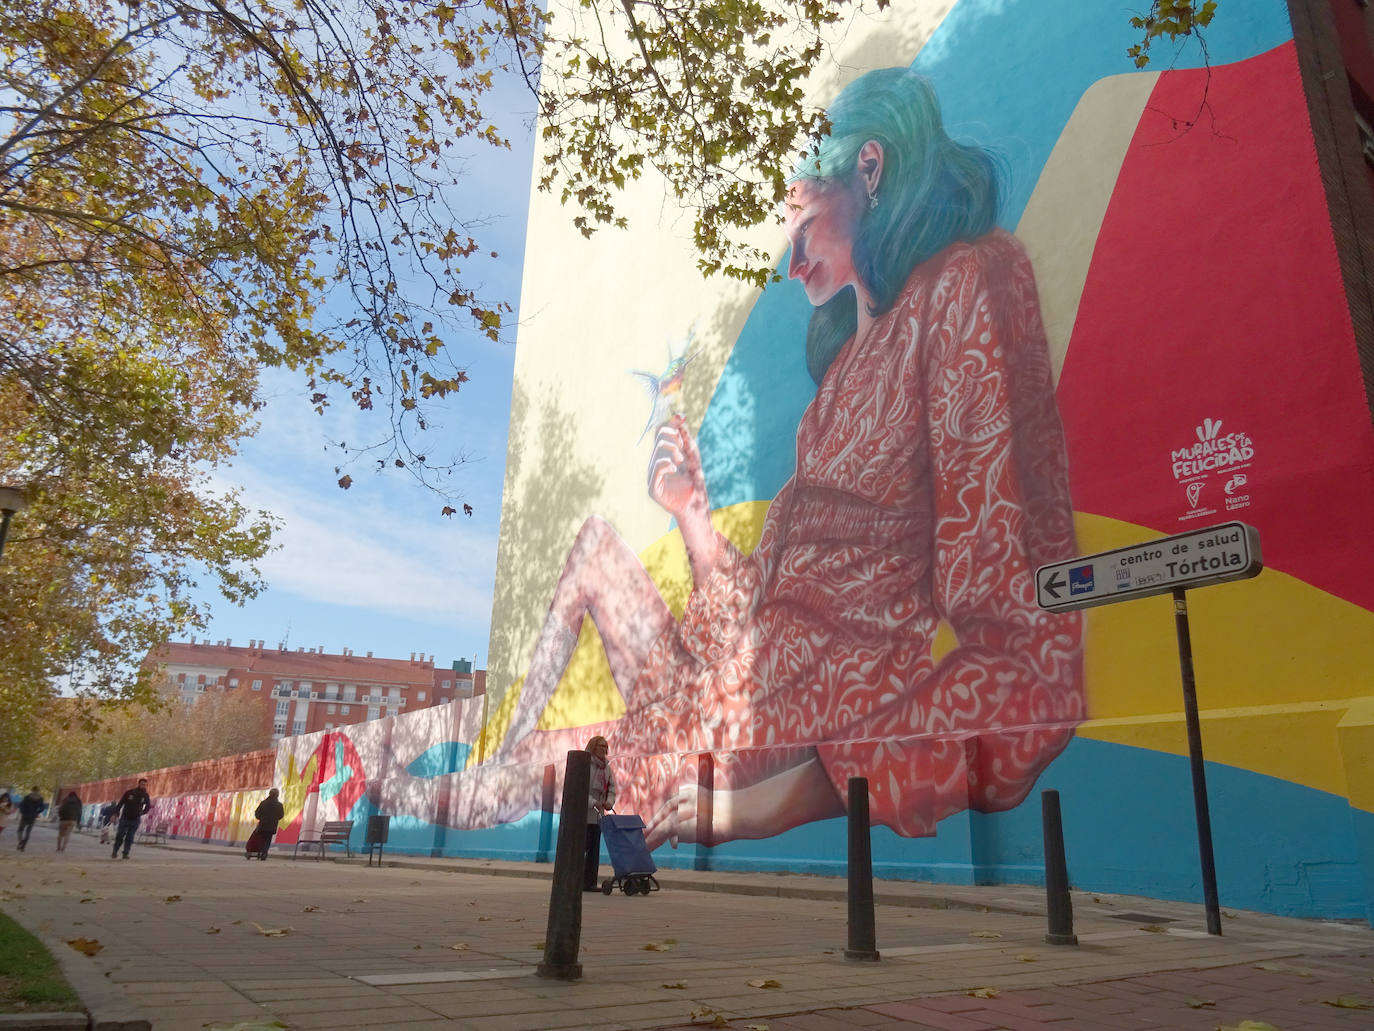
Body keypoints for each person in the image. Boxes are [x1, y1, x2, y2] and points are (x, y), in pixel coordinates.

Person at [485, 67, 1085, 853]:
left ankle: (604, 846)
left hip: (809, 717)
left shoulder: (968, 283)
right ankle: (600, 846)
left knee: (555, 770)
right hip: (743, 690)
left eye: (800, 226)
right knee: (536, 759)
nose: (791, 265)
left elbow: (1028, 667)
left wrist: (765, 806)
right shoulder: (833, 388)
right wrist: (693, 515)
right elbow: (764, 611)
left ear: (869, 169)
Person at [583, 736, 617, 892]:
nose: (603, 749)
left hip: (598, 815)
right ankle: (579, 881)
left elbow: (611, 788)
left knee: (594, 851)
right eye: (600, 746)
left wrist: (609, 801)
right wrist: (592, 802)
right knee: (583, 849)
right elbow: (580, 789)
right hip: (584, 814)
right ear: (593, 747)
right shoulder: (585, 765)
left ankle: (590, 882)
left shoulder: (606, 768)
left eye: (605, 746)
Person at [111, 778, 152, 859]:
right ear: (139, 784)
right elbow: (120, 803)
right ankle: (115, 851)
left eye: (145, 785)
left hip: (135, 819)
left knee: (130, 837)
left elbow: (148, 807)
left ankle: (125, 853)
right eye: (142, 784)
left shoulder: (145, 795)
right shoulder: (129, 793)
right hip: (125, 817)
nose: (144, 786)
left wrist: (142, 812)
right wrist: (115, 814)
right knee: (120, 835)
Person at [251, 788, 285, 860]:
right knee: (268, 840)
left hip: (263, 824)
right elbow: (281, 815)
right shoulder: (279, 805)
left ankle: (260, 852)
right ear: (277, 795)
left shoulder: (263, 803)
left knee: (262, 839)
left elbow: (257, 813)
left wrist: (261, 818)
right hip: (272, 825)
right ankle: (264, 853)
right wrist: (275, 819)